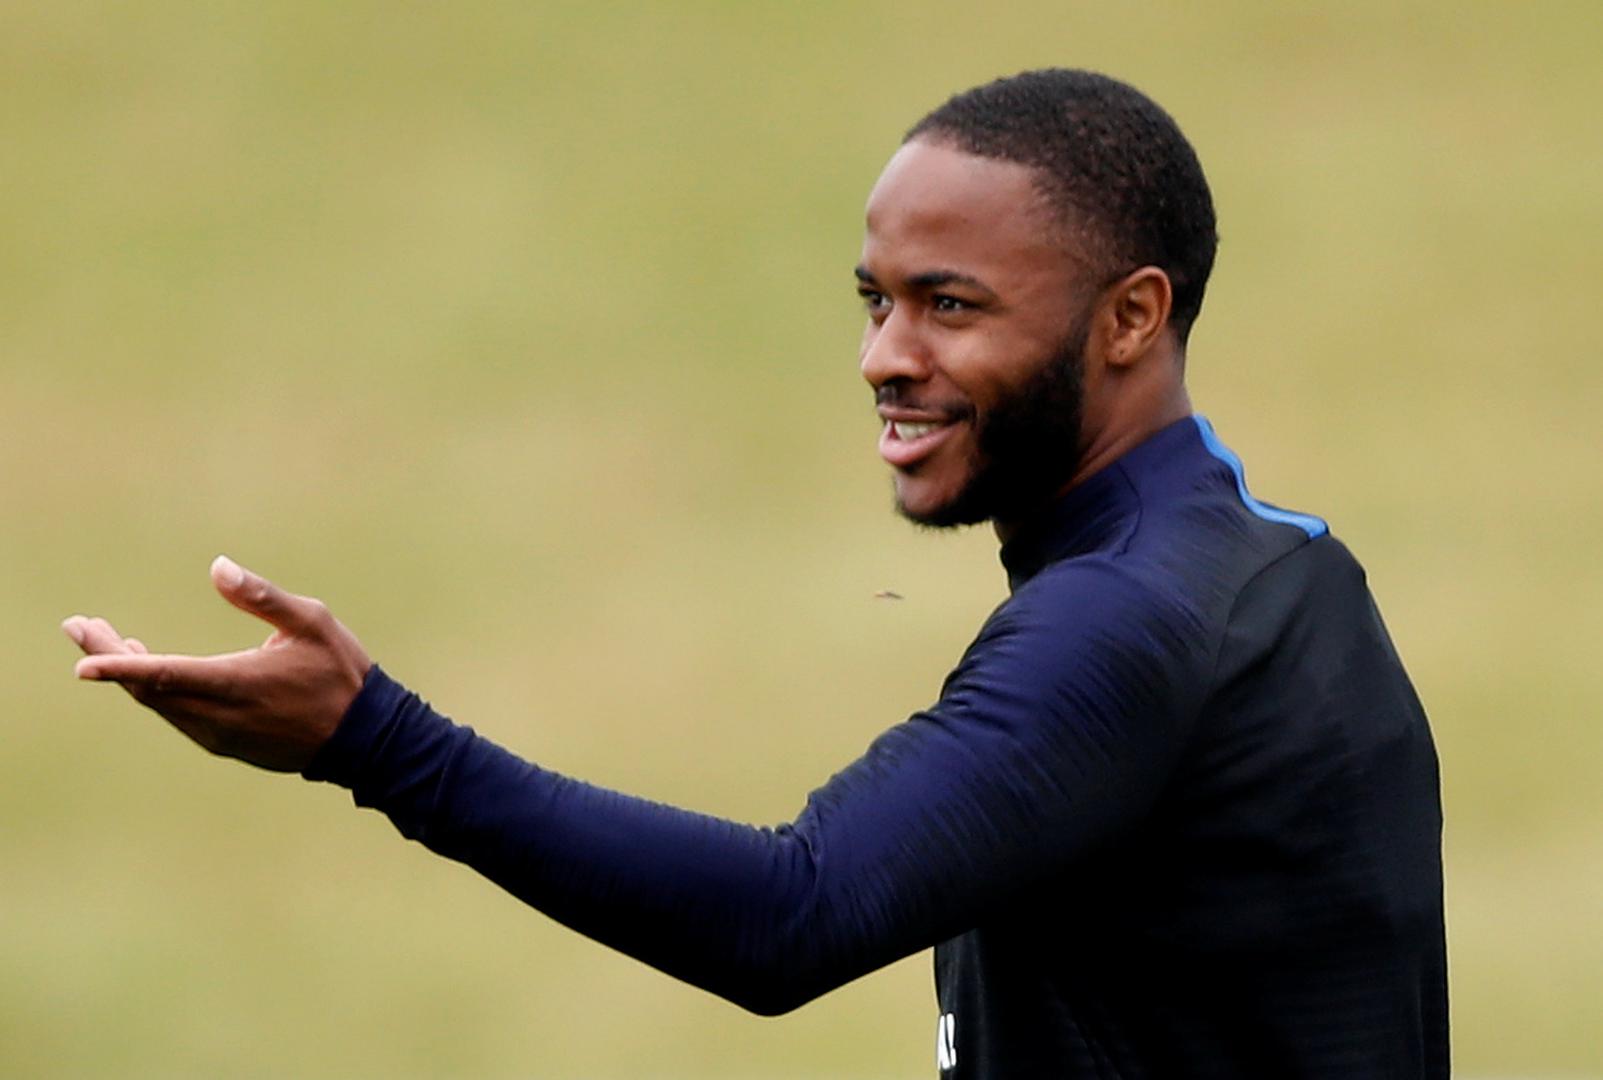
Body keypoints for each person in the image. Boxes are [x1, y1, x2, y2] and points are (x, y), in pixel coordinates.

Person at [62, 69, 1448, 1077]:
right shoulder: (1277, 563)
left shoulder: (1127, 626)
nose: (885, 358)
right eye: (877, 300)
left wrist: (375, 741)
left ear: (1131, 317)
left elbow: (792, 914)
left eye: (951, 305)